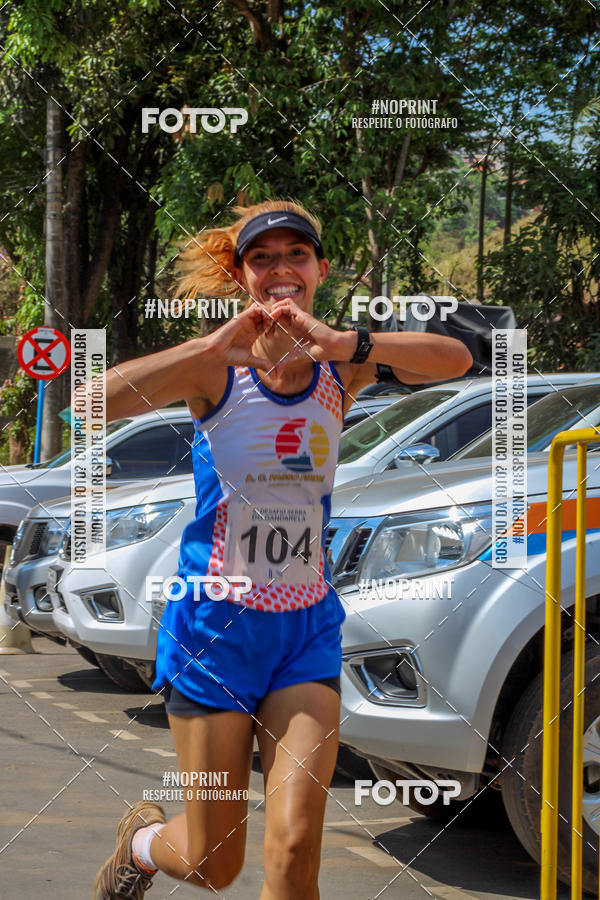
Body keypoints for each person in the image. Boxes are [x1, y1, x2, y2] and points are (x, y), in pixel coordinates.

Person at [93, 199, 472, 899]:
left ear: (319, 270)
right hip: (214, 634)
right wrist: (208, 349)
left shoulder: (341, 369)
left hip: (305, 631)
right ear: (242, 277)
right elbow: (90, 402)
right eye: (262, 258)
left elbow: (457, 358)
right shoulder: (216, 373)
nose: (281, 269)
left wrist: (346, 343)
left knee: (297, 846)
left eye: (296, 255)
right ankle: (143, 845)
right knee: (213, 863)